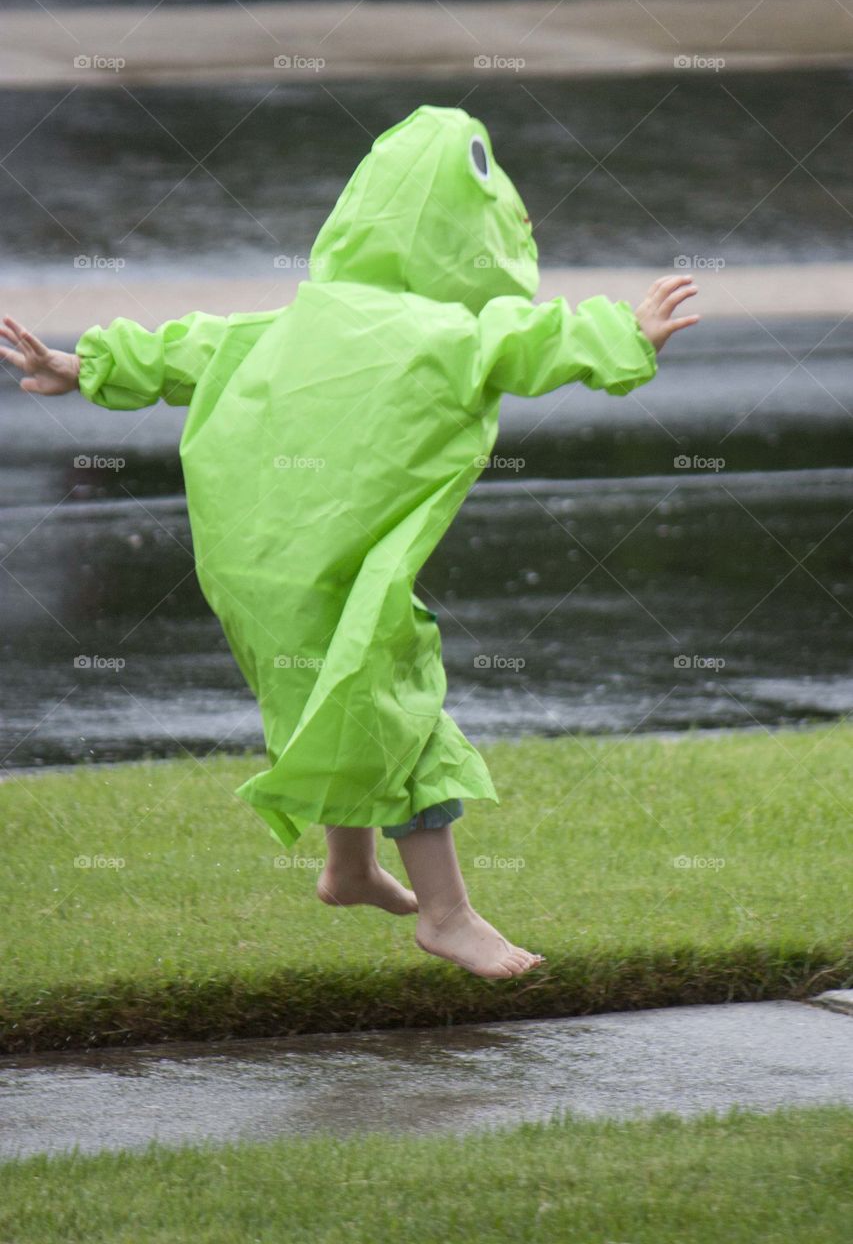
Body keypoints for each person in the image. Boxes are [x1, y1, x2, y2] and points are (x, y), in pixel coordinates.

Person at [0, 105, 699, 981]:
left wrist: (81, 365)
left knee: (337, 702)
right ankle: (447, 916)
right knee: (397, 712)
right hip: (335, 571)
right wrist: (626, 333)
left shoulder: (288, 322)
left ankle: (350, 867)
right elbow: (528, 340)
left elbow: (188, 347)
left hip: (255, 571)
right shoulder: (444, 333)